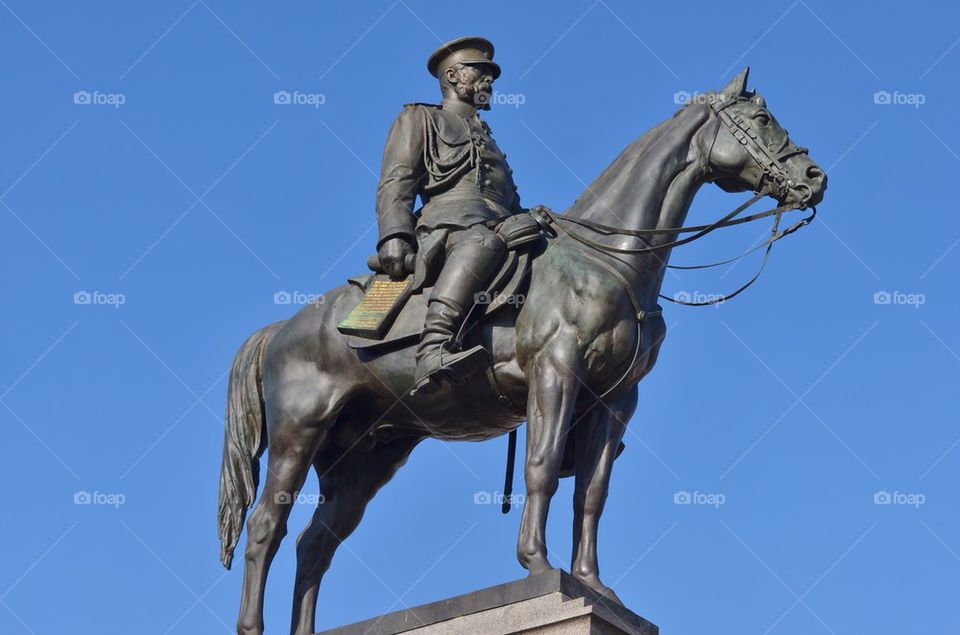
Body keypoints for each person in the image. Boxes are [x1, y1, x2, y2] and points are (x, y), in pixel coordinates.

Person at [375, 36, 524, 394]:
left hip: (500, 224)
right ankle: (433, 347)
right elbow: (397, 180)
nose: (490, 81)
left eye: (491, 75)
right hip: (448, 228)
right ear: (455, 76)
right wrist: (394, 235)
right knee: (482, 240)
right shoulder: (421, 118)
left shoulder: (490, 141)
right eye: (482, 72)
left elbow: (509, 200)